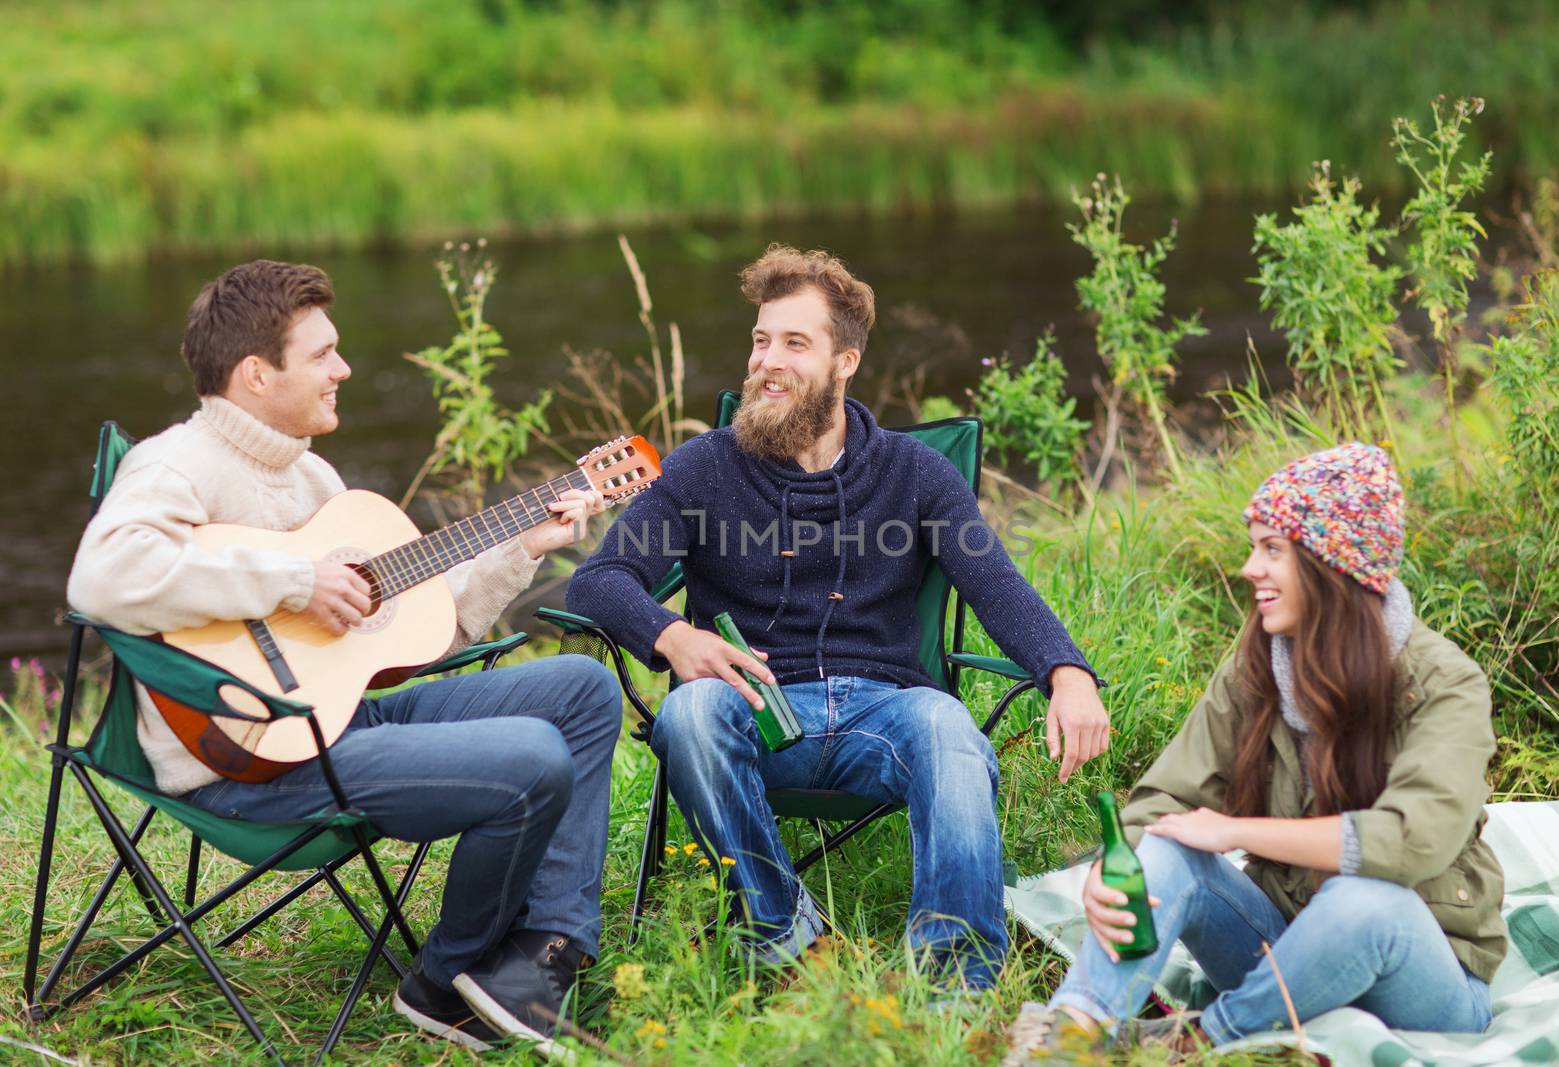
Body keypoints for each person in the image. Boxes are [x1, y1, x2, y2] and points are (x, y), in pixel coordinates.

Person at [66, 260, 622, 1058]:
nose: (344, 369)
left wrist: (521, 548)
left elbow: (413, 637)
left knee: (583, 690)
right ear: (258, 374)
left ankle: (542, 955)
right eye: (322, 354)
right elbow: (101, 575)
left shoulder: (311, 474)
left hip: (335, 720)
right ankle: (445, 980)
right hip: (248, 755)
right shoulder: (175, 464)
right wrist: (295, 581)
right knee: (533, 755)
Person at [565, 244, 1108, 990]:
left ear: (845, 360)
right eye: (760, 340)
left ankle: (956, 982)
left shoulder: (914, 473)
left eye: (795, 343)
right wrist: (673, 634)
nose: (767, 362)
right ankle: (786, 940)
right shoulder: (705, 466)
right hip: (753, 711)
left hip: (883, 712)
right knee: (689, 713)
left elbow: (996, 583)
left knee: (948, 726)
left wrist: (1068, 671)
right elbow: (597, 582)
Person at [1009, 443, 1505, 1059]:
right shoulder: (1257, 668)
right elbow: (1164, 799)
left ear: (1332, 565)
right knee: (1168, 843)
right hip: (1280, 948)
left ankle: (1194, 1043)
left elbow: (1409, 841)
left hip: (1421, 980)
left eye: (1273, 549)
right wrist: (1117, 873)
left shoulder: (1445, 682)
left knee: (1364, 901)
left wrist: (1238, 830)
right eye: (1254, 547)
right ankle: (1070, 1035)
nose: (1250, 568)